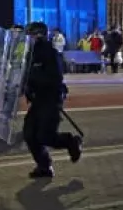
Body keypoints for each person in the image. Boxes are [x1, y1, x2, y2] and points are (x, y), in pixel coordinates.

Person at [23, 22, 82, 178]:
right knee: (29, 134)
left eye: (31, 35)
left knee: (45, 136)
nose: (28, 39)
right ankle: (44, 166)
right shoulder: (31, 53)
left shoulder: (49, 52)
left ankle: (70, 142)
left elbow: (55, 77)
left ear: (39, 35)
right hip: (38, 100)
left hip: (50, 98)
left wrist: (34, 80)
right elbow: (27, 75)